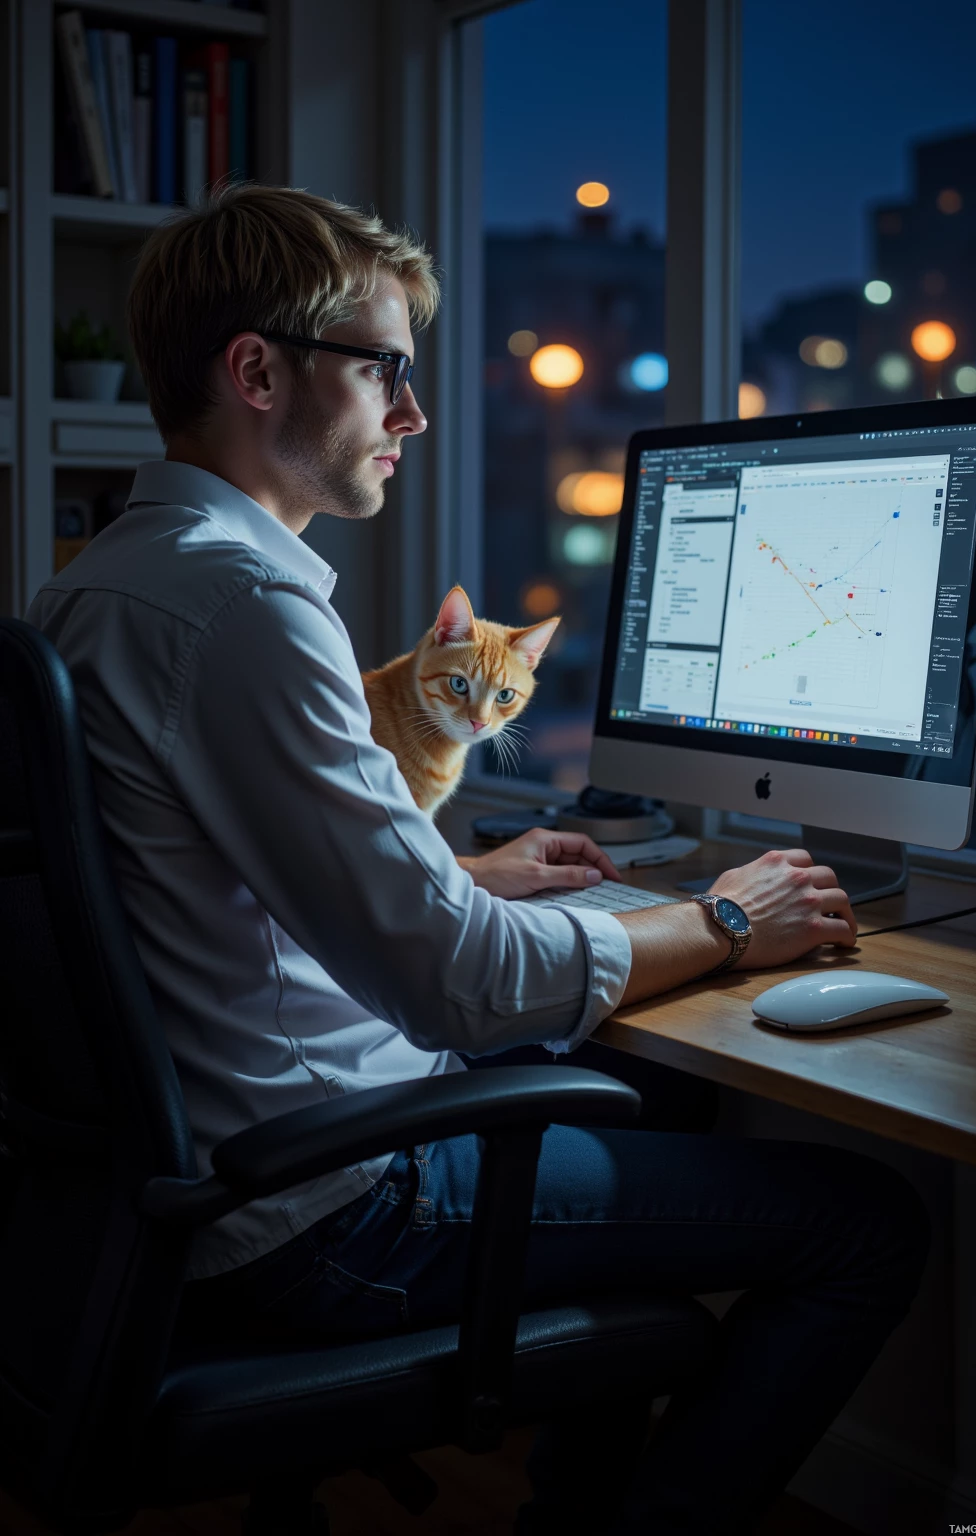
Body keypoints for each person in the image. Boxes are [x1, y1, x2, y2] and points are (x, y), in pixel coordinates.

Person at [26, 185, 928, 1536]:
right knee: (868, 1224)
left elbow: (195, 883)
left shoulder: (102, 583)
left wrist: (462, 880)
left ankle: (572, 1508)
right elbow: (458, 989)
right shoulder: (245, 604)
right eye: (382, 370)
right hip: (323, 1209)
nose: (412, 415)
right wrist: (728, 921)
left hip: (186, 1168)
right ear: (258, 373)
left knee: (658, 1087)